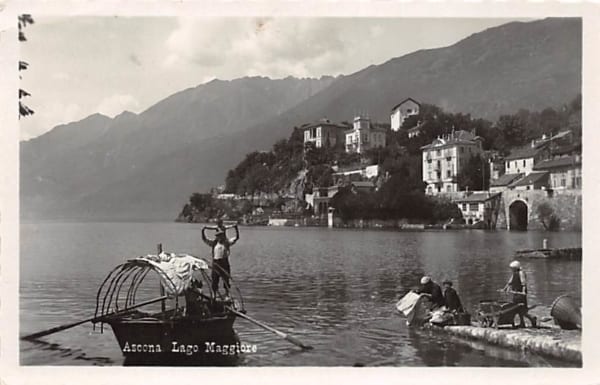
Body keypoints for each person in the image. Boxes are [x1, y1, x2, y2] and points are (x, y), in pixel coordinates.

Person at [202, 220, 240, 297]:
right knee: (214, 279)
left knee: (226, 278)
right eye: (218, 236)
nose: (220, 237)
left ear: (223, 235)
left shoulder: (227, 242)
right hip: (216, 263)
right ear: (217, 237)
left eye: (221, 235)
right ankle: (214, 294)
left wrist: (236, 229)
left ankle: (227, 294)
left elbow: (236, 238)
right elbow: (205, 239)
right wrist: (202, 231)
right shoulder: (214, 243)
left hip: (224, 262)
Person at [503, 260, 537, 328]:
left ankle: (531, 318)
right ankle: (522, 323)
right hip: (516, 293)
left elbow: (523, 283)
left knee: (521, 308)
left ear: (516, 267)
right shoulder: (514, 273)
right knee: (517, 308)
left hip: (520, 293)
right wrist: (505, 288)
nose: (511, 269)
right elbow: (510, 282)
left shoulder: (521, 273)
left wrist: (523, 292)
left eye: (512, 268)